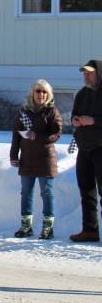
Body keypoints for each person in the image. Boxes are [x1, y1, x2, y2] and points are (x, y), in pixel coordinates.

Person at [9, 79, 61, 239]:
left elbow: (56, 134)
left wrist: (37, 136)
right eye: (38, 91)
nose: (41, 94)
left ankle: (48, 228)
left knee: (47, 193)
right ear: (33, 93)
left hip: (46, 159)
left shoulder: (52, 112)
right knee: (26, 193)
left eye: (44, 92)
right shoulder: (24, 111)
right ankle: (26, 227)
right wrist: (13, 155)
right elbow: (16, 134)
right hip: (27, 158)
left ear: (49, 95)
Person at [70, 59, 102, 242]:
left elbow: (95, 120)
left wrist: (94, 121)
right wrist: (76, 120)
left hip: (100, 147)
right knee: (86, 191)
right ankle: (90, 230)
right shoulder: (82, 94)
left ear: (98, 73)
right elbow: (74, 113)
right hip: (84, 148)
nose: (86, 76)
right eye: (84, 73)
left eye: (90, 73)